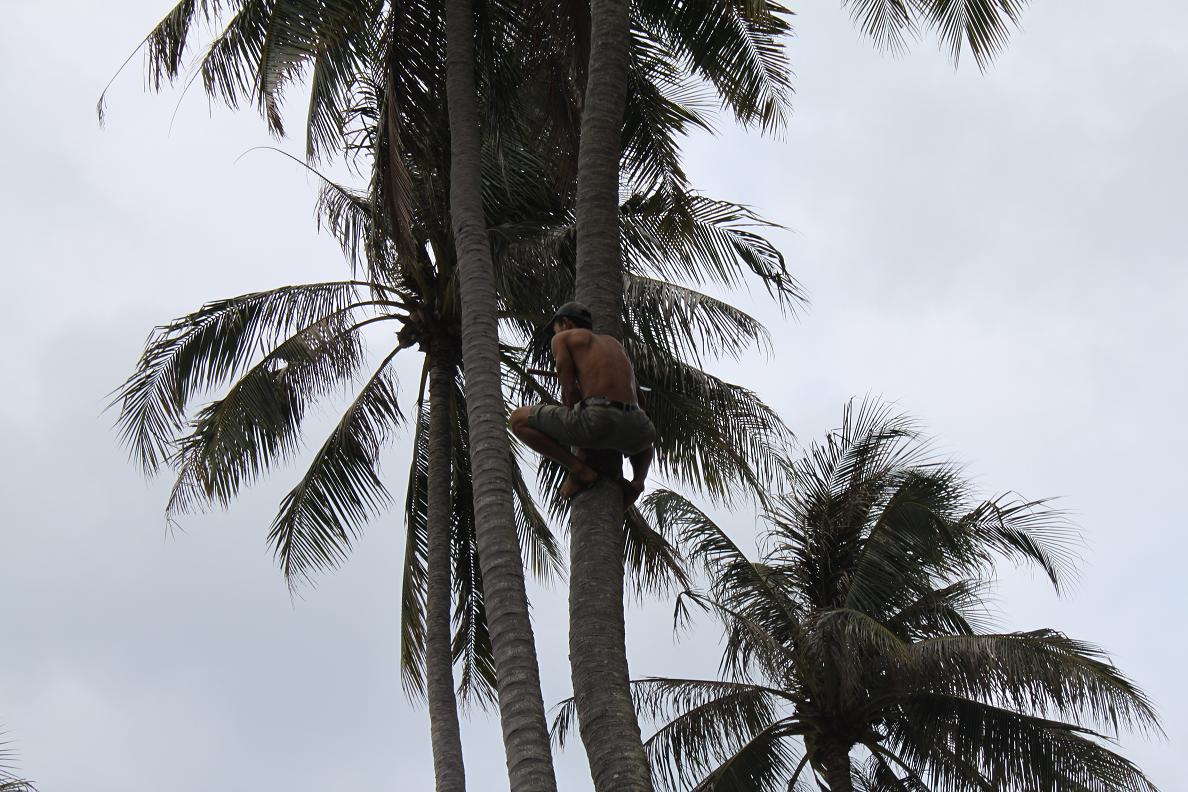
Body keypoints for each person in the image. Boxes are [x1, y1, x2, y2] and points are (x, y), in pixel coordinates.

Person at [510, 302, 656, 507]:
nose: (555, 333)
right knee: (646, 444)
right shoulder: (614, 344)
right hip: (638, 427)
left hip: (599, 420)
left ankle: (579, 470)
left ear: (566, 323)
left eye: (556, 328)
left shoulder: (563, 338)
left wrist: (579, 410)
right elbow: (641, 400)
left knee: (517, 420)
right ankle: (638, 481)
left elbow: (569, 392)